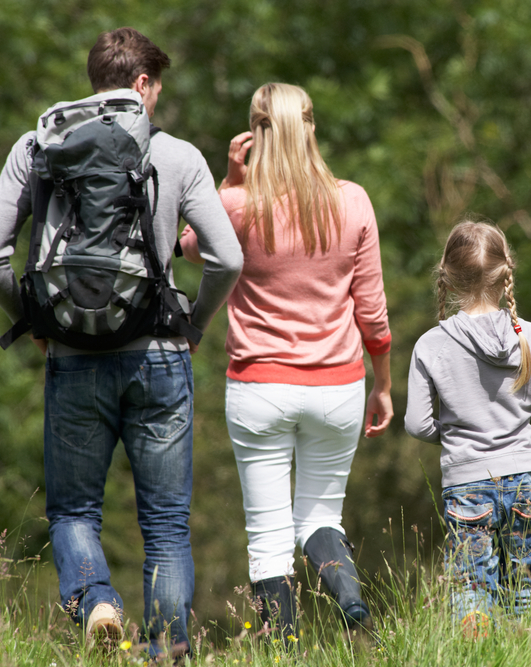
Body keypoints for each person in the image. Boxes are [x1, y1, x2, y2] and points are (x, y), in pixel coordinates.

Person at [0, 27, 244, 657]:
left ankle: (96, 601)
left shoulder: (36, 148)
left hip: (72, 358)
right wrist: (194, 324)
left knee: (73, 514)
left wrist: (39, 321)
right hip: (160, 359)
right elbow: (226, 260)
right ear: (143, 84)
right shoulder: (175, 155)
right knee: (168, 527)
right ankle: (168, 653)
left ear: (96, 78)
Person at [179, 83, 392, 642]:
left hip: (259, 388)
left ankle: (283, 651)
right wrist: (384, 383)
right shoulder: (353, 200)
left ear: (254, 134)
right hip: (339, 385)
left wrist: (229, 183)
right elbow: (371, 311)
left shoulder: (236, 205)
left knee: (268, 535)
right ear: (312, 127)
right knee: (321, 518)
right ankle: (349, 597)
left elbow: (189, 246)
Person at [404, 219, 531, 637]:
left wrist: (454, 432)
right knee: (526, 589)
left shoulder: (430, 344)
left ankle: (477, 654)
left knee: (472, 590)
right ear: (506, 271)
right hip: (525, 481)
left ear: (445, 275)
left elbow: (416, 423)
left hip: (465, 484)